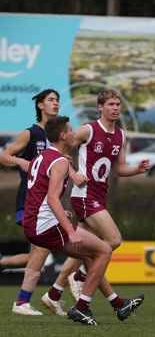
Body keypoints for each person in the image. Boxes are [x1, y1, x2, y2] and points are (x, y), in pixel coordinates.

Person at [52, 89, 147, 320]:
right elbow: (58, 150)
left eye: (118, 104)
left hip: (98, 197)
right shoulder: (88, 130)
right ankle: (80, 278)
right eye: (111, 104)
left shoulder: (120, 135)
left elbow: (120, 168)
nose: (115, 108)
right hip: (84, 196)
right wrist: (72, 174)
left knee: (87, 251)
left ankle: (56, 293)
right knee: (113, 241)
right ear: (100, 108)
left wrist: (137, 170)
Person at [23, 115, 114, 325]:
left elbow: (38, 194)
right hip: (45, 226)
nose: (75, 133)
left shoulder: (42, 157)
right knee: (105, 251)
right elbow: (52, 198)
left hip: (34, 223)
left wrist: (60, 213)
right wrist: (71, 231)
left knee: (93, 256)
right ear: (63, 136)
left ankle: (116, 303)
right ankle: (82, 308)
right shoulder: (61, 162)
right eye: (72, 130)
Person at [0, 89, 76, 316]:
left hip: (48, 203)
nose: (56, 103)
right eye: (51, 100)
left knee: (38, 254)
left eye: (58, 100)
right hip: (30, 201)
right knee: (41, 251)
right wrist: (22, 163)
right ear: (40, 105)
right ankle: (24, 302)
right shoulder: (31, 133)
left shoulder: (59, 137)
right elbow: (4, 155)